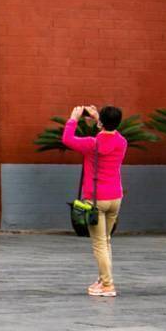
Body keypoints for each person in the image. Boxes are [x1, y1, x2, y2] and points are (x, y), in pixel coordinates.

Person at [61, 103, 128, 297]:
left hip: (96, 199)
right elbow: (111, 132)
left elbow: (67, 139)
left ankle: (107, 285)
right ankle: (102, 279)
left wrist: (73, 119)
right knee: (106, 241)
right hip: (115, 197)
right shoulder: (122, 142)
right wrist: (99, 118)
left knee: (99, 244)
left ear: (102, 123)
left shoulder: (92, 144)